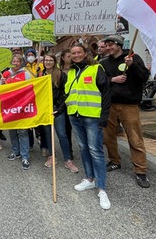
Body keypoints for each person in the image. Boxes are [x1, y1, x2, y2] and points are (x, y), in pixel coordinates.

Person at [101, 34, 151, 189]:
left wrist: (133, 66)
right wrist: (112, 80)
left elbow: (144, 77)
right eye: (107, 45)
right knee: (108, 137)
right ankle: (114, 161)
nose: (108, 48)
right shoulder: (104, 63)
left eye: (111, 45)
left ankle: (140, 170)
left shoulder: (133, 58)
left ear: (119, 45)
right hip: (110, 105)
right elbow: (100, 81)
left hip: (129, 106)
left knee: (135, 138)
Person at [65, 44, 111, 210]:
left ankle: (102, 188)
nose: (76, 55)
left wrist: (105, 116)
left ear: (85, 54)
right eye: (73, 53)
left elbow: (106, 92)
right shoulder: (71, 72)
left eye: (79, 52)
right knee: (83, 148)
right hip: (75, 115)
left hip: (92, 116)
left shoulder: (96, 68)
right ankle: (89, 179)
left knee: (95, 150)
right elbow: (68, 94)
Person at [40, 53, 78, 173]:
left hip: (57, 109)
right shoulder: (40, 74)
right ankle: (52, 156)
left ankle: (68, 159)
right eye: (46, 60)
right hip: (45, 109)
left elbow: (65, 92)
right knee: (47, 133)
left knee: (62, 134)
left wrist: (59, 108)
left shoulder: (61, 74)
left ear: (54, 61)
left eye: (50, 60)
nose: (48, 62)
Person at [1, 53, 34, 170]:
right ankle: (16, 151)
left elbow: (31, 88)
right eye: (13, 61)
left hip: (22, 106)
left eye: (17, 61)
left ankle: (25, 156)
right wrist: (2, 83)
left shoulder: (26, 74)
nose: (15, 63)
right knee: (12, 130)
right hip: (9, 107)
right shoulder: (6, 74)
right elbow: (2, 90)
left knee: (23, 131)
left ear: (21, 62)